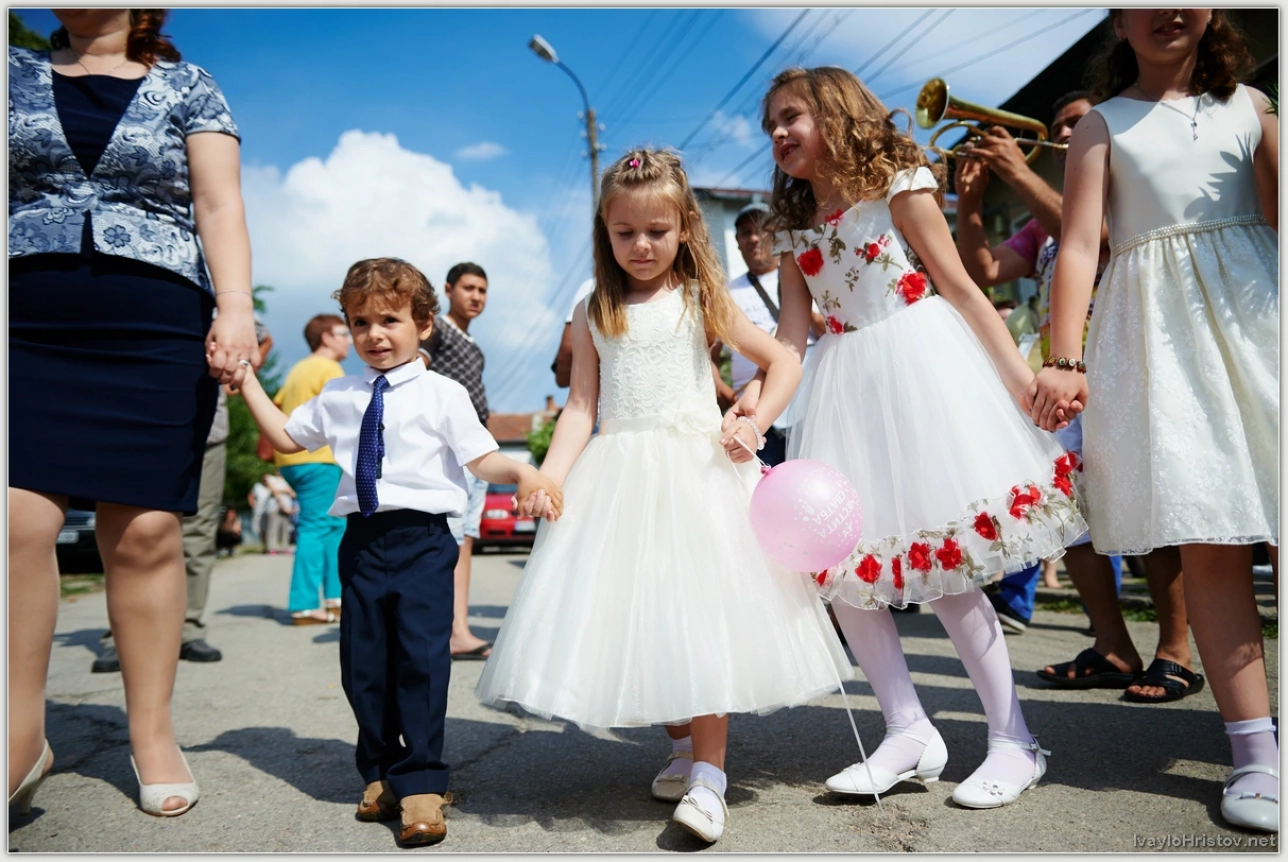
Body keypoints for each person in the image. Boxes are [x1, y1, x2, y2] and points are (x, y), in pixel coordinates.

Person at [732, 66, 1087, 811]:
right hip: (842, 389)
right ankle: (908, 730)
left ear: (835, 112)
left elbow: (960, 286)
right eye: (771, 125)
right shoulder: (793, 225)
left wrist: (1020, 382)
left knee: (950, 565)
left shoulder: (898, 181)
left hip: (919, 370)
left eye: (790, 116)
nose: (778, 134)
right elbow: (791, 340)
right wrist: (757, 417)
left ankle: (1014, 739)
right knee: (841, 569)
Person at [475, 149, 852, 844]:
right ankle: (681, 747)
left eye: (657, 230)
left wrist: (753, 421)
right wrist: (552, 477)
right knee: (645, 614)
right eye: (626, 233)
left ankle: (710, 777)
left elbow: (781, 360)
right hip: (619, 473)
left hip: (697, 470)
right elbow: (583, 406)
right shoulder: (594, 307)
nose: (641, 246)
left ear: (683, 227)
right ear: (605, 232)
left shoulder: (702, 296)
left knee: (704, 613)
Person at [1029, 9, 1277, 833]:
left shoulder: (1253, 108)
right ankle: (1255, 753)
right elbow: (1075, 246)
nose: (1168, 8)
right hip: (1161, 336)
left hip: (1260, 323)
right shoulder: (1103, 124)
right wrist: (1066, 358)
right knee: (1210, 532)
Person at [8, 9, 256, 817]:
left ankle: (151, 731)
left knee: (146, 530)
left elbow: (218, 209)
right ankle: (20, 727)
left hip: (155, 328)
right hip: (23, 329)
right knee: (16, 520)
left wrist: (235, 310)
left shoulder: (190, 85)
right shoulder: (8, 76)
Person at [238, 257, 562, 848]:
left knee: (419, 660)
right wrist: (247, 382)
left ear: (423, 326)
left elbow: (479, 458)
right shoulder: (339, 394)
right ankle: (381, 769)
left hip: (423, 541)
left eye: (389, 319)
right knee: (364, 663)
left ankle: (421, 782)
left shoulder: (444, 393)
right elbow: (286, 437)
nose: (374, 334)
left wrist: (520, 469)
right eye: (360, 322)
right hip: (362, 540)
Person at [955, 91, 1197, 706]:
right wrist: (974, 201)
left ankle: (1177, 651)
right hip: (1065, 382)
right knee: (1071, 518)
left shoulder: (1132, 191)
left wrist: (1020, 173)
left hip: (1126, 366)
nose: (1066, 131)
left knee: (1152, 512)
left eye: (1077, 123)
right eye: (1061, 124)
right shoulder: (1040, 224)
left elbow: (1099, 234)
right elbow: (981, 268)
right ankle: (1113, 646)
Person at [94, 317, 274, 672]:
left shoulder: (219, 296)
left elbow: (262, 337)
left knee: (199, 530)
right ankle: (121, 634)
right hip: (139, 420)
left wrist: (237, 374)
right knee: (125, 530)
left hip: (207, 430)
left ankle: (187, 628)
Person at [418, 262, 495, 660]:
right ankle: (445, 630)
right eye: (468, 288)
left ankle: (457, 629)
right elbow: (416, 369)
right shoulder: (437, 331)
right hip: (448, 450)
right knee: (449, 540)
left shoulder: (474, 347)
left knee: (465, 539)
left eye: (482, 290)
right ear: (449, 290)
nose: (476, 296)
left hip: (475, 450)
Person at [719, 202, 826, 466]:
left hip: (811, 407)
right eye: (746, 232)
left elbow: (831, 332)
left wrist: (805, 312)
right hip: (756, 415)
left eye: (761, 230)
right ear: (737, 240)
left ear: (776, 233)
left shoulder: (805, 276)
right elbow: (707, 353)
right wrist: (728, 395)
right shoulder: (726, 293)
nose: (754, 238)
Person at [273, 314, 351, 624]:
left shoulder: (298, 370)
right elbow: (346, 412)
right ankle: (304, 605)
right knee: (317, 527)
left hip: (293, 460)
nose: (349, 339)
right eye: (343, 333)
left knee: (334, 528)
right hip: (318, 458)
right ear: (326, 338)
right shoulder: (328, 367)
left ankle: (336, 599)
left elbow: (278, 404)